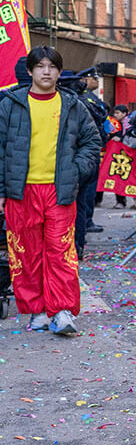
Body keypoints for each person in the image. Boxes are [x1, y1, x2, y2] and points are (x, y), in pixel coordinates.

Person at [0, 47, 101, 336]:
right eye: (40, 66)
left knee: (61, 251)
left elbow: (92, 142)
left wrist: (75, 170)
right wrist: (2, 189)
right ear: (29, 71)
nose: (46, 72)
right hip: (21, 192)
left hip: (59, 191)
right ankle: (38, 311)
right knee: (26, 253)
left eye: (52, 66)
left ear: (59, 72)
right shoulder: (10, 104)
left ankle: (62, 311)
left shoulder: (72, 105)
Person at [73, 68, 109, 252]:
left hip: (90, 151)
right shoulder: (82, 99)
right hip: (83, 156)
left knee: (88, 191)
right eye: (94, 78)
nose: (96, 81)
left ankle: (86, 222)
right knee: (84, 193)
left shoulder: (88, 97)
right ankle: (85, 224)